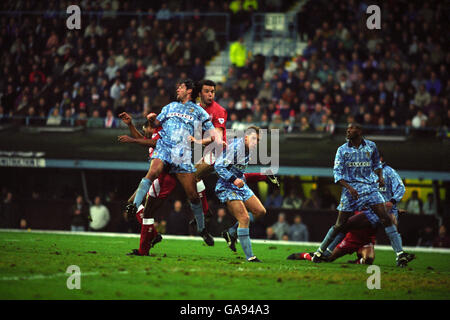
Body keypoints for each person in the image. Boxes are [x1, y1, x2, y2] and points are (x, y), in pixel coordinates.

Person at [126, 79, 218, 247]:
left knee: (192, 196)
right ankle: (135, 205)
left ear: (189, 91)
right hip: (164, 148)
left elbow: (213, 135)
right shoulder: (168, 107)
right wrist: (152, 119)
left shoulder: (199, 111)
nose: (178, 89)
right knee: (152, 172)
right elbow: (156, 125)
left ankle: (202, 228)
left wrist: (200, 141)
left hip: (182, 154)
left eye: (181, 87)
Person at [311, 123, 414, 267]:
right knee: (340, 225)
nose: (347, 130)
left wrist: (380, 177)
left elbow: (377, 165)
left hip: (370, 189)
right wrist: (349, 188)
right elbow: (337, 174)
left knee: (386, 218)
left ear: (359, 131)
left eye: (351, 128)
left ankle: (400, 255)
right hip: (351, 191)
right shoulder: (342, 150)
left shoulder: (371, 146)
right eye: (347, 128)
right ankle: (320, 251)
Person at [214, 126, 266, 262]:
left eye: (258, 140)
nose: (256, 142)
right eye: (254, 138)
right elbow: (218, 165)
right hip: (227, 186)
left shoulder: (249, 151)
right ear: (246, 137)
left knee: (260, 211)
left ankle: (231, 232)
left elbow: (239, 170)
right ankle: (250, 257)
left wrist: (261, 176)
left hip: (240, 185)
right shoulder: (236, 147)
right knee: (244, 218)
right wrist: (233, 179)